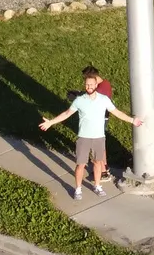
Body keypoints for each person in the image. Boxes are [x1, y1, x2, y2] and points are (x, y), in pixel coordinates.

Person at [39, 65, 143, 199]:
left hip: (99, 137)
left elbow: (117, 113)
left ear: (96, 85)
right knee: (80, 164)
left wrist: (132, 120)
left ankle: (97, 186)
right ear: (85, 85)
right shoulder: (79, 100)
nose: (89, 87)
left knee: (98, 163)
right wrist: (51, 122)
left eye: (91, 85)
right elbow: (66, 113)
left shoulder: (104, 100)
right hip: (84, 138)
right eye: (87, 85)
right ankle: (78, 189)